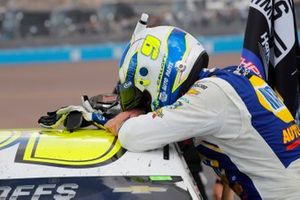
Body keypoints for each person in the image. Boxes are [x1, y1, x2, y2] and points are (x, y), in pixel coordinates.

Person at [38, 19, 300, 199]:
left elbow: (133, 135)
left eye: (141, 94)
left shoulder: (209, 96)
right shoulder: (226, 82)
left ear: (157, 72)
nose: (141, 102)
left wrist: (132, 118)